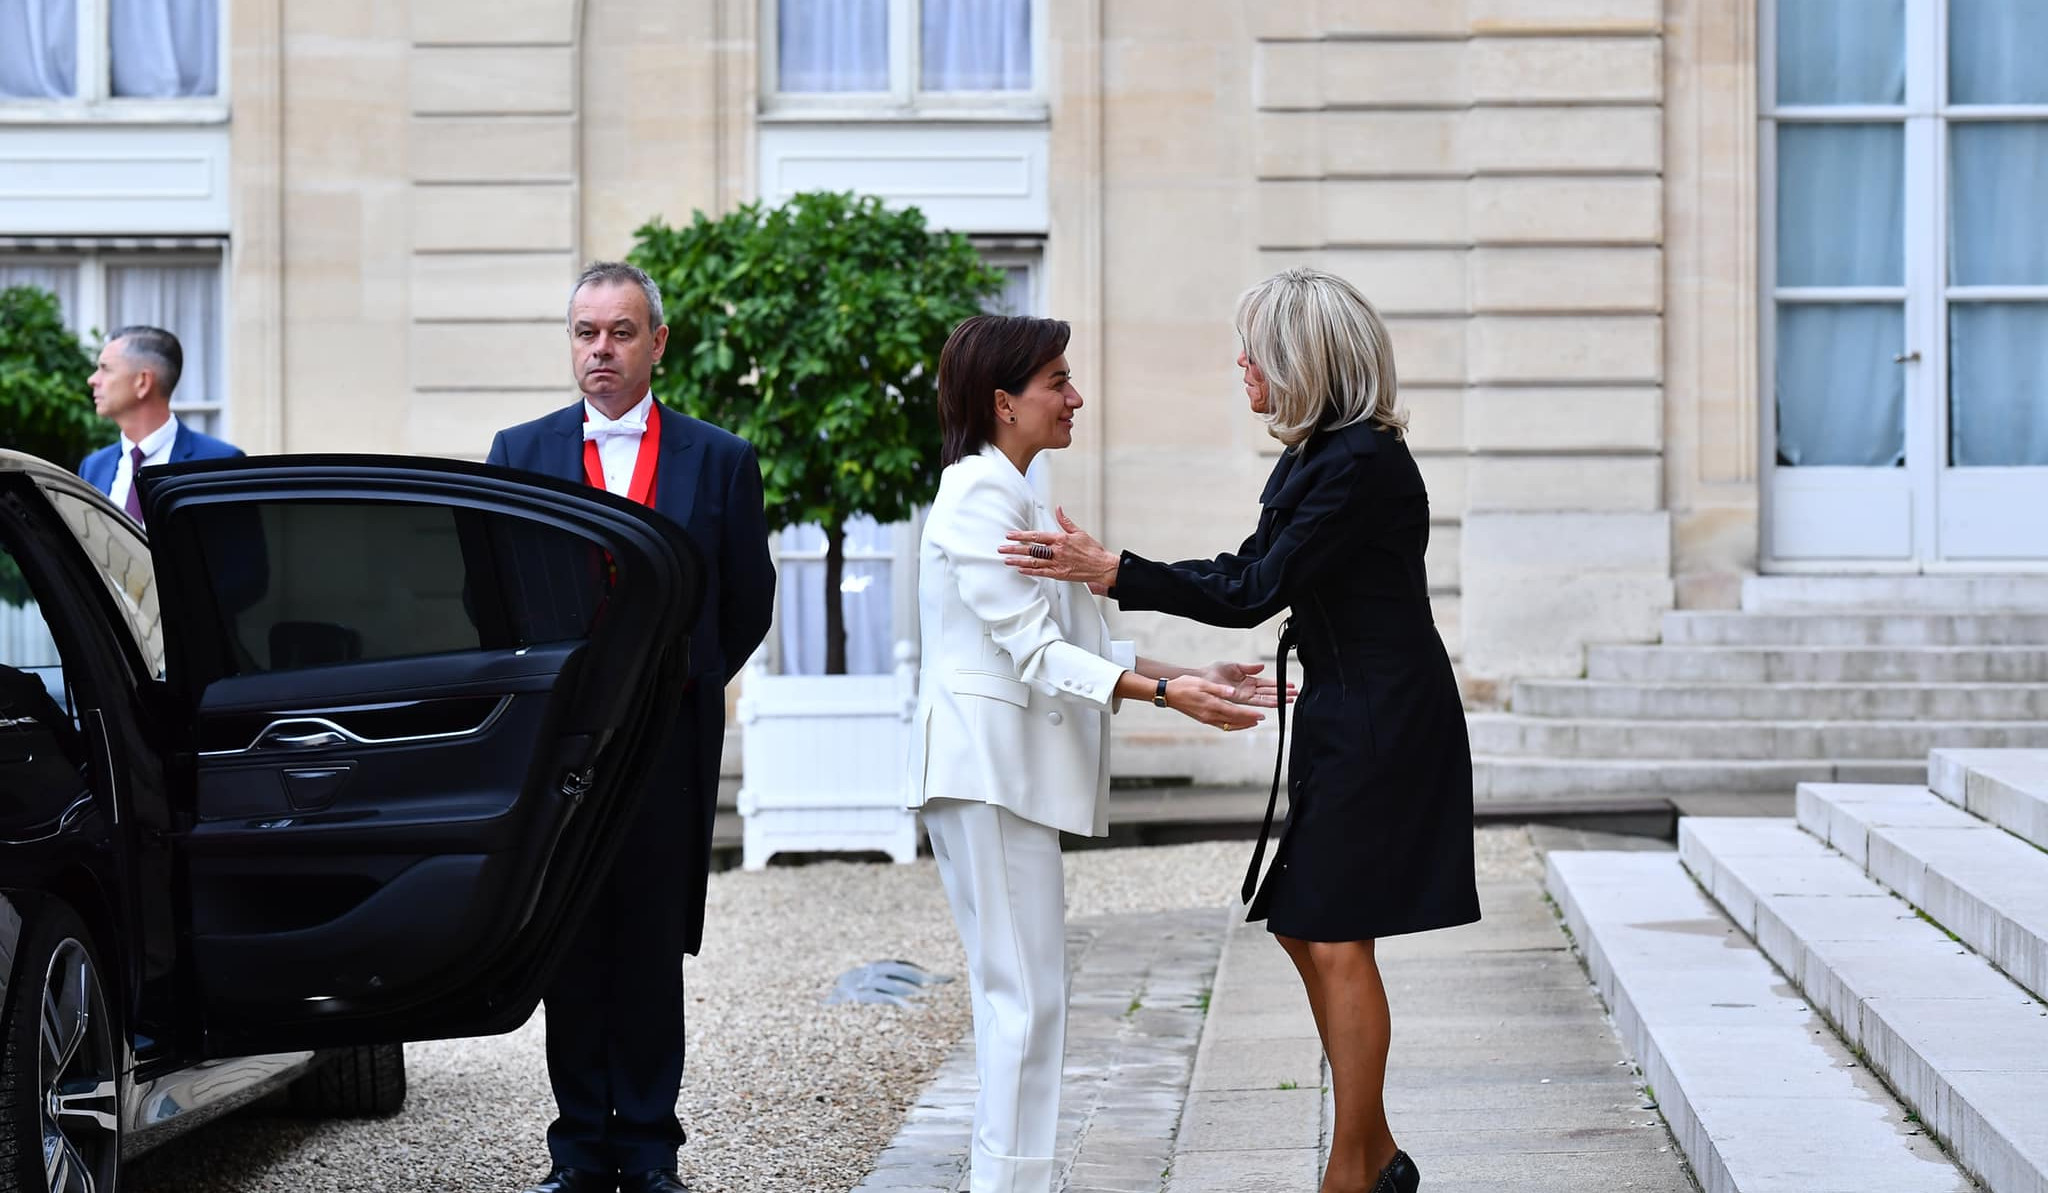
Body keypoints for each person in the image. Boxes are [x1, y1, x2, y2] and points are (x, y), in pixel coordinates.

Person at [999, 269, 1479, 1193]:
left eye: (1255, 348)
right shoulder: (1316, 458)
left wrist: (1114, 569)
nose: (1242, 364)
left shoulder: (1360, 463)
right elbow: (1250, 567)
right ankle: (1376, 1151)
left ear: (1302, 358)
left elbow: (1253, 592)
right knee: (1306, 927)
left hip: (1385, 722)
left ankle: (1352, 1169)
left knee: (1336, 936)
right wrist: (1116, 569)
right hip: (1347, 712)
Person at [912, 314, 1287, 1193]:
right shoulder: (978, 495)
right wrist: (1168, 698)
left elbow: (1081, 646)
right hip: (985, 772)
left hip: (997, 775)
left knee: (1028, 1001)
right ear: (1004, 403)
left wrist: (1190, 674)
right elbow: (1035, 656)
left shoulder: (1018, 493)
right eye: (1058, 381)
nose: (1076, 396)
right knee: (1023, 1002)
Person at [486, 261, 775, 1193]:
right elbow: (487, 594)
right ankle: (576, 1152)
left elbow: (746, 600)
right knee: (566, 943)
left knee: (650, 945)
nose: (599, 350)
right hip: (559, 750)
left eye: (619, 332)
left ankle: (650, 1152)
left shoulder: (719, 458)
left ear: (657, 341)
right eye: (584, 332)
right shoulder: (518, 450)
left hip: (664, 745)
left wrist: (680, 686)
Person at [78, 326, 241, 524]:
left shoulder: (219, 464)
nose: (92, 380)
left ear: (143, 382)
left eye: (105, 368)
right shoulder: (94, 467)